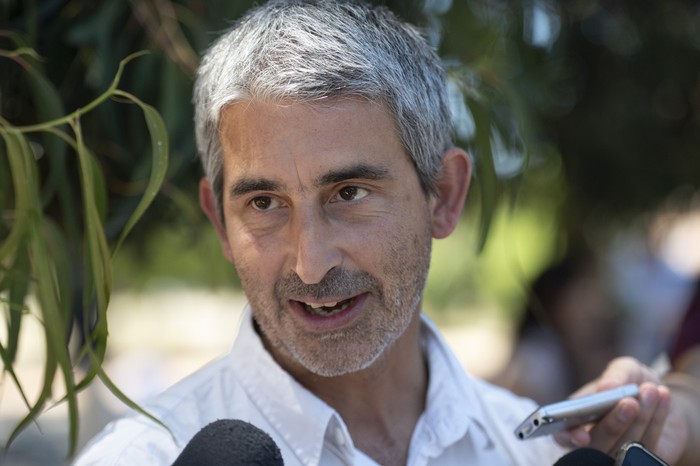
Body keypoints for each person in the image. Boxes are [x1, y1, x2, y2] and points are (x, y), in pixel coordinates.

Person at [73, 1, 696, 465]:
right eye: (264, 203)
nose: (310, 263)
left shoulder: (530, 452)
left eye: (349, 194)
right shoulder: (143, 456)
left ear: (444, 197)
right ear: (220, 221)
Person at [493, 250, 621, 404]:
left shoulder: (568, 348)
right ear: (556, 305)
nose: (592, 309)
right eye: (579, 299)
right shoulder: (537, 358)